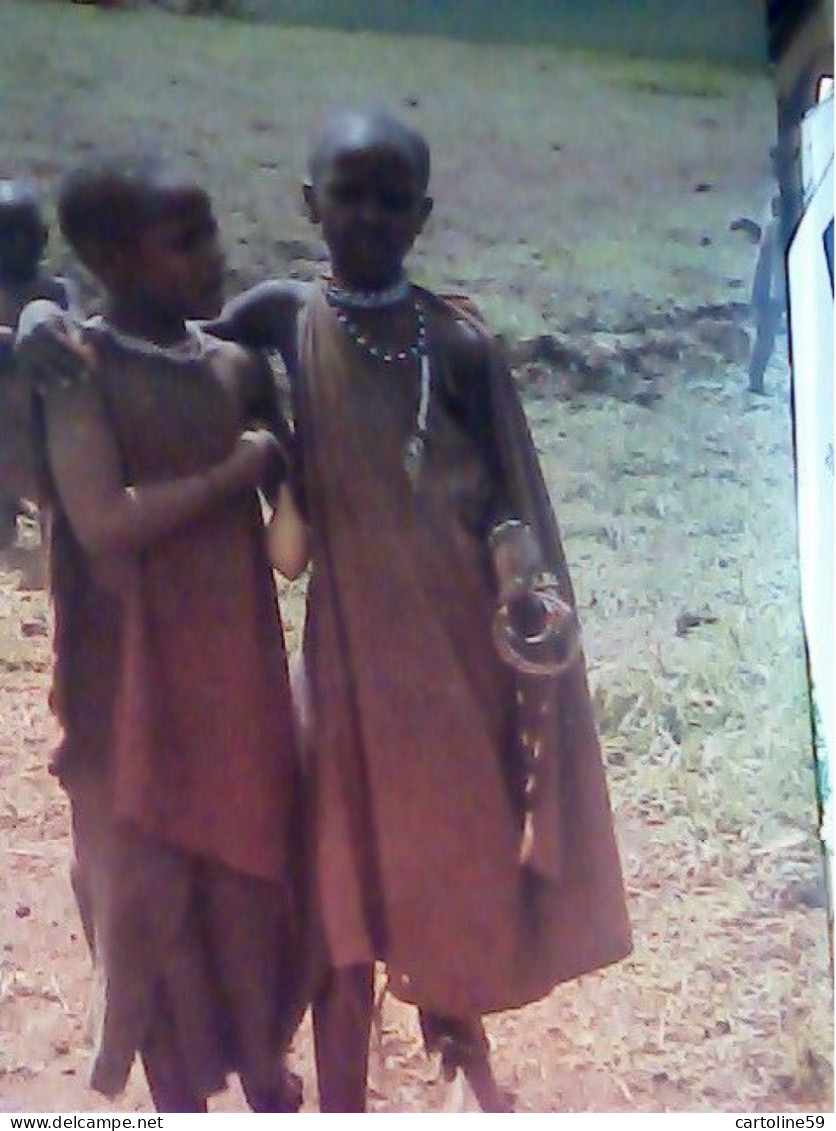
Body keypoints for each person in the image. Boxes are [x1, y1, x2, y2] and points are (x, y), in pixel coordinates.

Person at [210, 108, 632, 1112]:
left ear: (422, 214)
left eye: (391, 198)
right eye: (347, 194)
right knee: (339, 885)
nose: (367, 215)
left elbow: (504, 500)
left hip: (454, 672)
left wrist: (514, 574)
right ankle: (344, 1099)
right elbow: (175, 353)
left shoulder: (459, 342)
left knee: (446, 867)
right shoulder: (283, 315)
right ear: (309, 204)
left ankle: (459, 1038)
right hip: (349, 661)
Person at [15, 154, 308, 1112]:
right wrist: (239, 470)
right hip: (122, 683)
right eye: (186, 238)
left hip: (232, 673)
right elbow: (102, 521)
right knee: (146, 899)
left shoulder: (231, 365)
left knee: (250, 881)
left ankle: (265, 1066)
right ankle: (177, 1095)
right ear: (106, 253)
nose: (214, 254)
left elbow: (292, 541)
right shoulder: (72, 366)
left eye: (212, 229)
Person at [0, 180, 79, 548]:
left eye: (26, 234)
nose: (18, 245)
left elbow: (71, 339)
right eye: (7, 235)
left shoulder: (57, 291)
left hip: (41, 424)